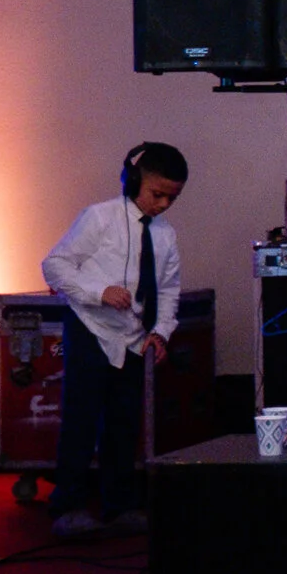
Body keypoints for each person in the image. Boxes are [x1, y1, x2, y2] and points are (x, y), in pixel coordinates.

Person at [39, 142, 187, 539]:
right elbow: (55, 265)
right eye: (158, 194)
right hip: (91, 327)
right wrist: (98, 291)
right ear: (135, 180)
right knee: (81, 418)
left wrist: (160, 332)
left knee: (124, 423)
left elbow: (168, 289)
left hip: (134, 339)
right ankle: (68, 505)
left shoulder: (166, 235)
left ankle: (119, 504)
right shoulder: (99, 218)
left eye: (172, 198)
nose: (163, 204)